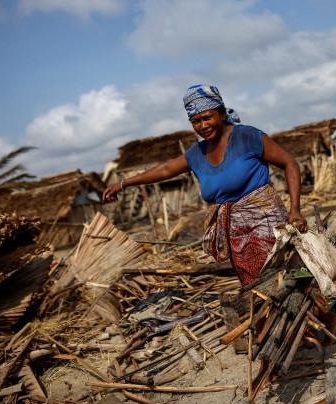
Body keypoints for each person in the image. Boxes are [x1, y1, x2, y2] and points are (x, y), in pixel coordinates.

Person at [103, 84, 307, 288]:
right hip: (235, 234)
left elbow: (290, 163)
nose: (202, 126)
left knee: (289, 280)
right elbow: (165, 169)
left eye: (207, 117)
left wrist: (295, 209)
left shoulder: (247, 137)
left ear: (221, 113)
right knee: (258, 290)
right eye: (196, 121)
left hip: (268, 225)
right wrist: (123, 183)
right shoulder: (196, 153)